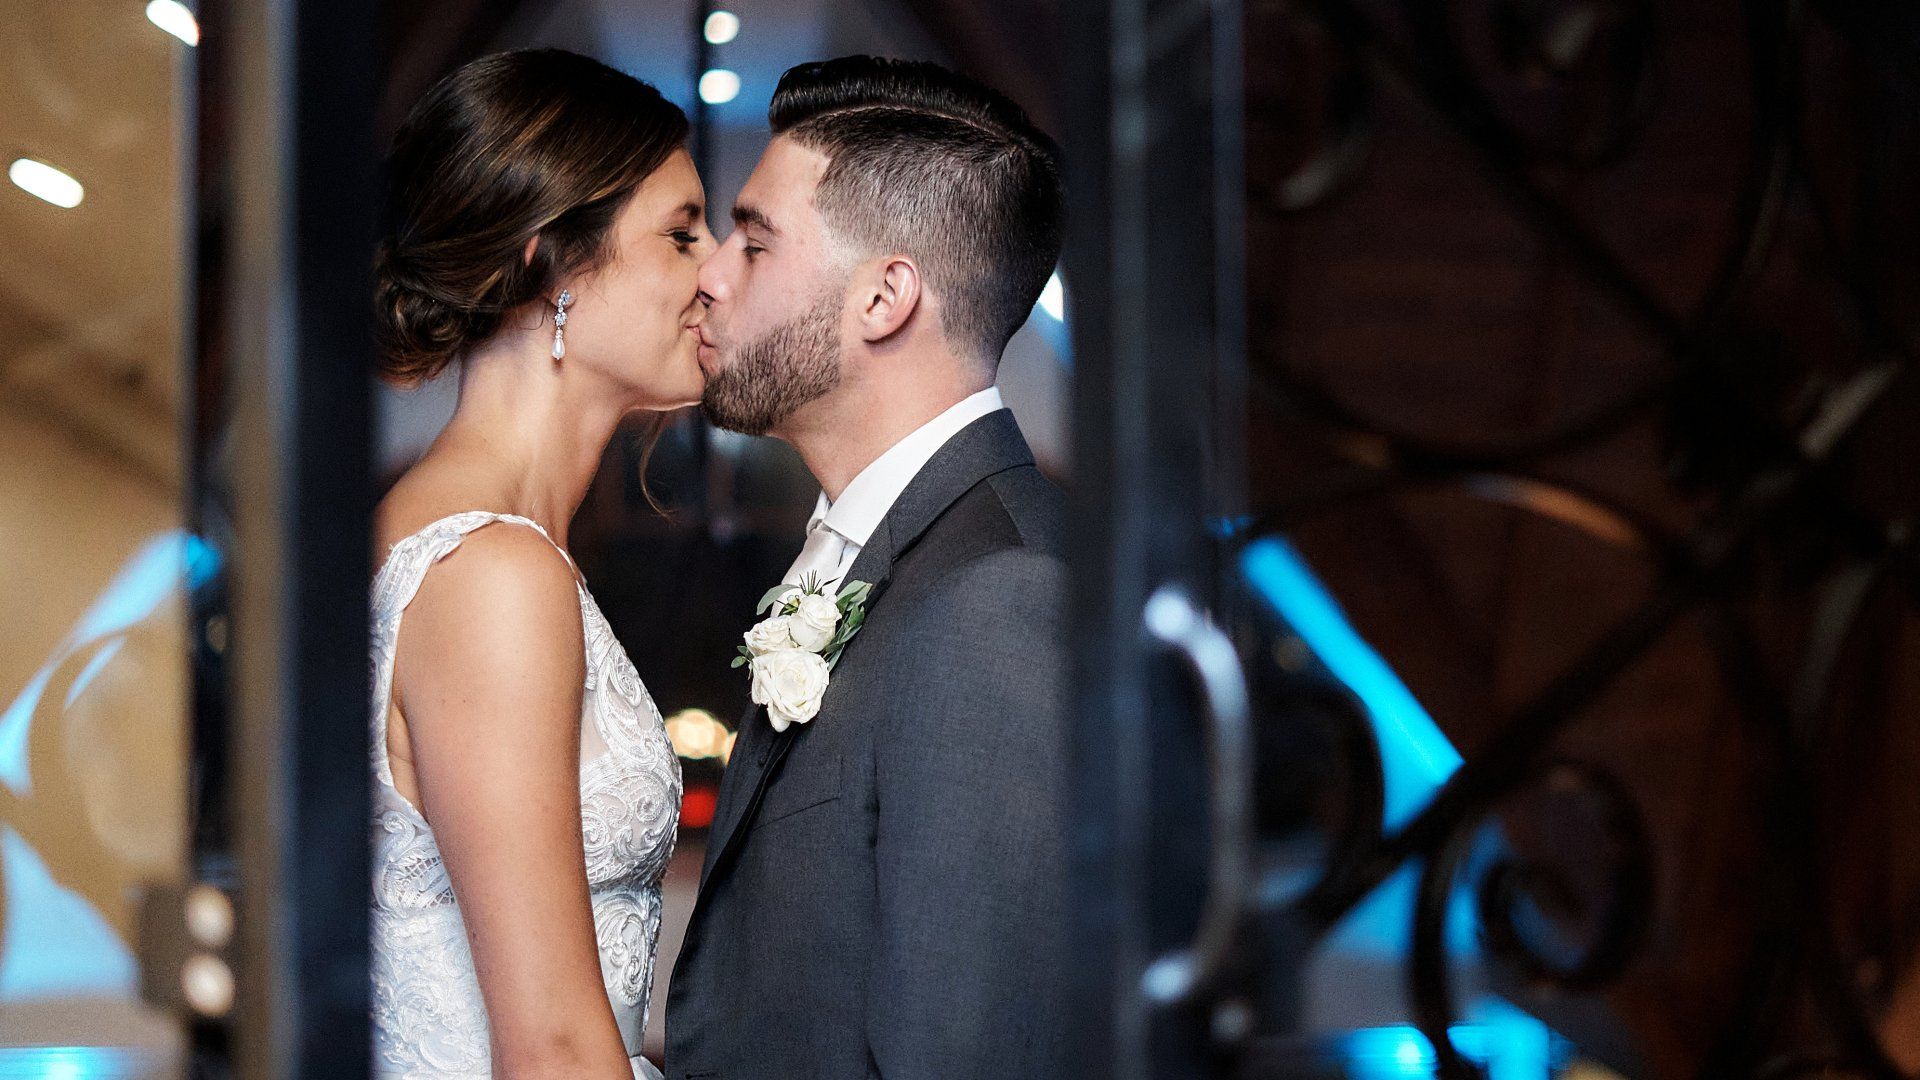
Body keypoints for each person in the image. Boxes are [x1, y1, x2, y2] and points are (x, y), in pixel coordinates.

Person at [665, 55, 1070, 1080]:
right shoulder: (890, 552)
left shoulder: (1000, 598)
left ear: (885, 298)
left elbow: (968, 1050)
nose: (709, 272)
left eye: (754, 241)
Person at [367, 49, 709, 1080]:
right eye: (682, 234)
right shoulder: (490, 574)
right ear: (550, 262)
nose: (718, 271)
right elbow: (552, 1049)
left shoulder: (489, 546)